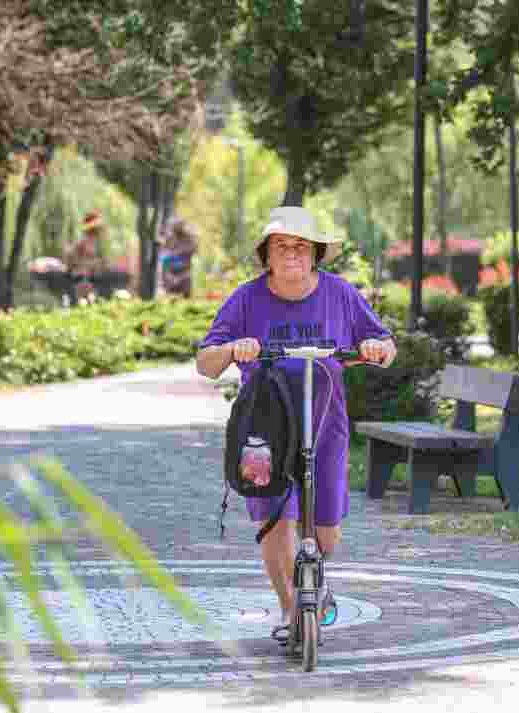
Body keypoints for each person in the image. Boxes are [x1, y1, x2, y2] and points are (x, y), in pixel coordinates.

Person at [195, 205, 397, 643]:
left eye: (301, 247)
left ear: (316, 254)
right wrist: (233, 348)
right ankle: (291, 610)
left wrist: (376, 348)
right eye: (281, 246)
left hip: (325, 420)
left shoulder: (340, 294)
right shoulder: (246, 299)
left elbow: (384, 342)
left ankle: (315, 581)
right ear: (266, 254)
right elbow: (205, 364)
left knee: (325, 526)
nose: (291, 254)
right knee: (274, 516)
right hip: (264, 427)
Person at [64, 210, 108, 300]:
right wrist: (83, 265)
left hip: (92, 276)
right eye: (98, 228)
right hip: (82, 277)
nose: (100, 231)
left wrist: (100, 264)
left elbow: (99, 261)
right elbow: (71, 257)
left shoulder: (95, 242)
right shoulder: (82, 241)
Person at [158, 218, 199, 297]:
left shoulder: (189, 240)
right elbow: (164, 255)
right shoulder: (170, 239)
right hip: (171, 274)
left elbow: (193, 249)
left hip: (184, 274)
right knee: (170, 294)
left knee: (185, 294)